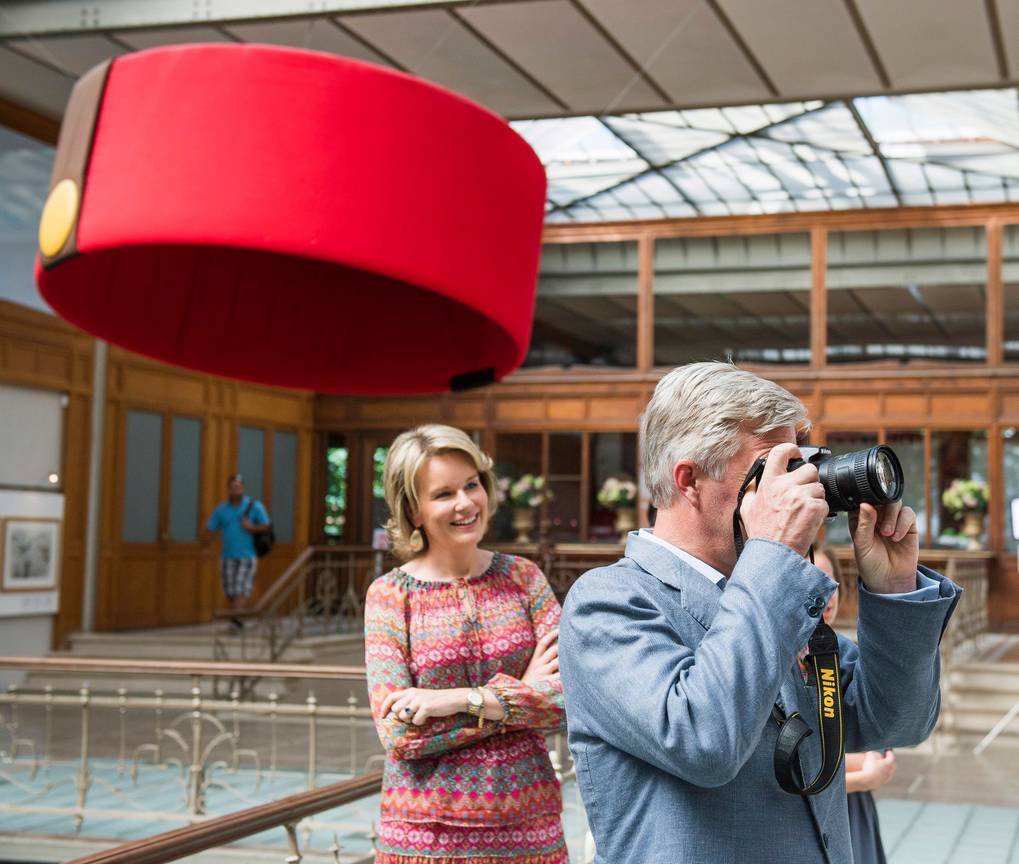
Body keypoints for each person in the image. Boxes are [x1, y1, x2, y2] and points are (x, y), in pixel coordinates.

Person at [558, 361, 961, 864]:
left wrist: (894, 588)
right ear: (689, 479)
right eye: (770, 469)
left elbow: (895, 721)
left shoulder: (768, 591)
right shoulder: (609, 603)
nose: (796, 489)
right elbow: (703, 741)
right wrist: (773, 553)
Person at [364, 424, 567, 864]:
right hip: (421, 839)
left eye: (471, 485)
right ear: (413, 511)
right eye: (443, 494)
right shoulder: (389, 596)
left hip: (530, 832)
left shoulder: (524, 579)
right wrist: (517, 698)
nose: (465, 503)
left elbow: (570, 698)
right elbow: (398, 734)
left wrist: (454, 700)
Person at [811, 546, 894, 864]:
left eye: (830, 582)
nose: (826, 594)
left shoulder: (844, 657)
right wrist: (861, 776)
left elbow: (881, 751)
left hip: (855, 810)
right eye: (814, 580)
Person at [202, 473, 271, 623]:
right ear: (228, 489)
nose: (236, 490)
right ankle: (237, 617)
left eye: (239, 487)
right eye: (233, 487)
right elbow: (211, 529)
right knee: (230, 591)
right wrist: (205, 548)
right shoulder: (222, 510)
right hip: (227, 556)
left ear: (243, 488)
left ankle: (236, 621)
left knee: (241, 588)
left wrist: (251, 527)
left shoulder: (254, 506)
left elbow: (266, 525)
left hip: (247, 555)